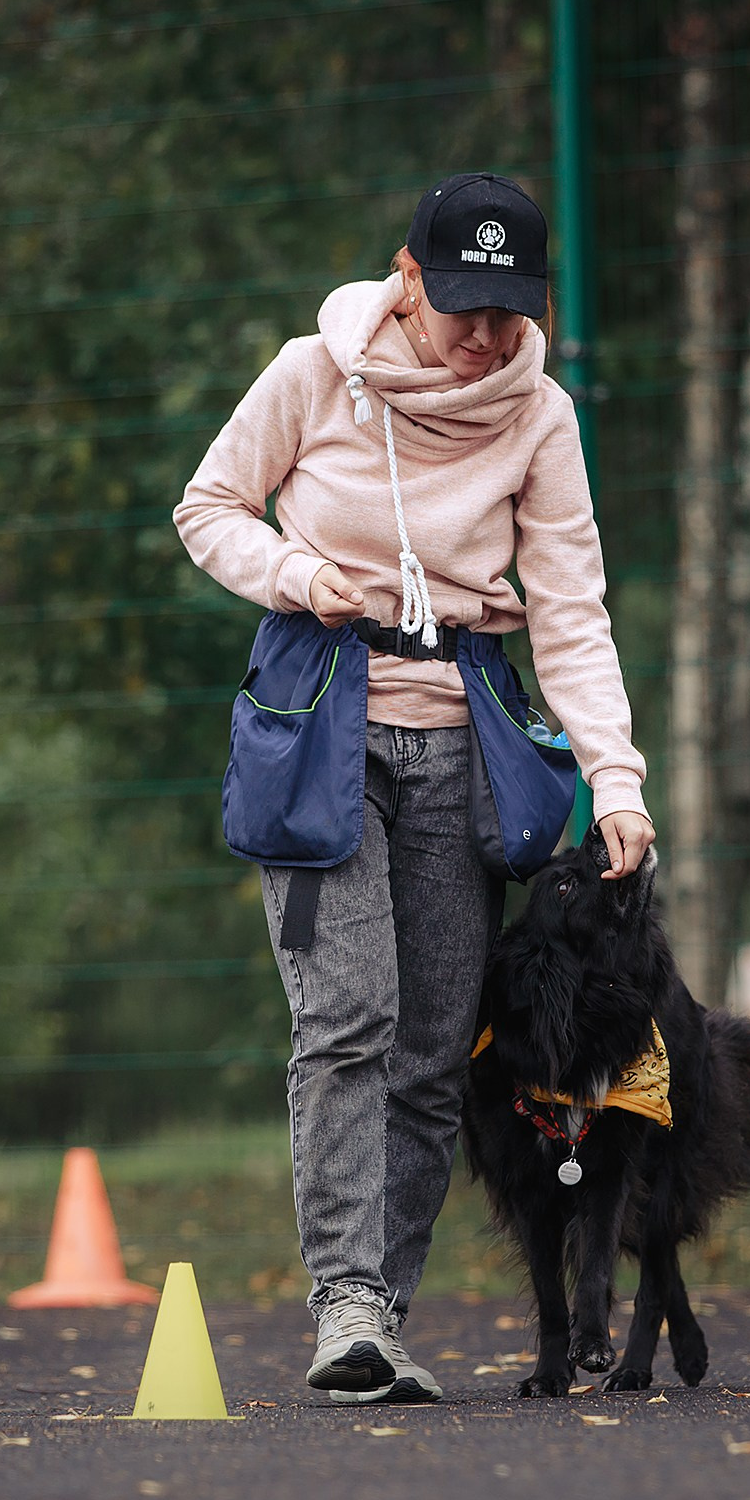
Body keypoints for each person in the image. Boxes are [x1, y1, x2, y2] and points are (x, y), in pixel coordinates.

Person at [174, 174, 654, 1402]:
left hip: (463, 744)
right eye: (460, 307)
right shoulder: (310, 373)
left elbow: (571, 609)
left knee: (437, 1047)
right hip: (320, 725)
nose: (483, 333)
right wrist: (291, 571)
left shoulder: (540, 416)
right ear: (407, 279)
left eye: (508, 309)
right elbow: (210, 506)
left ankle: (381, 1309)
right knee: (346, 1021)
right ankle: (343, 1305)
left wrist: (615, 778)